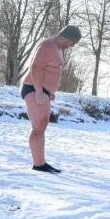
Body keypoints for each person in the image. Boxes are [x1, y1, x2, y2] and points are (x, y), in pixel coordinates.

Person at [20, 25, 81, 173]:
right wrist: (40, 90)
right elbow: (36, 67)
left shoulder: (58, 48)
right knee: (38, 127)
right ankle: (38, 164)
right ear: (68, 37)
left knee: (41, 126)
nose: (72, 46)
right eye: (73, 43)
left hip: (42, 90)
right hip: (34, 88)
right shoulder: (48, 45)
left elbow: (50, 70)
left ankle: (41, 163)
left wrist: (49, 91)